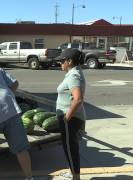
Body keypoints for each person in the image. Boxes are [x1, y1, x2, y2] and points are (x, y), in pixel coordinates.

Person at [55, 48, 86, 180]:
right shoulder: (74, 73)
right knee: (70, 148)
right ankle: (72, 173)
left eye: (62, 61)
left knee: (70, 150)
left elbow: (78, 99)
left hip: (71, 119)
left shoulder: (74, 75)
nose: (60, 63)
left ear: (70, 61)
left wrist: (66, 118)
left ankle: (76, 177)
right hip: (72, 118)